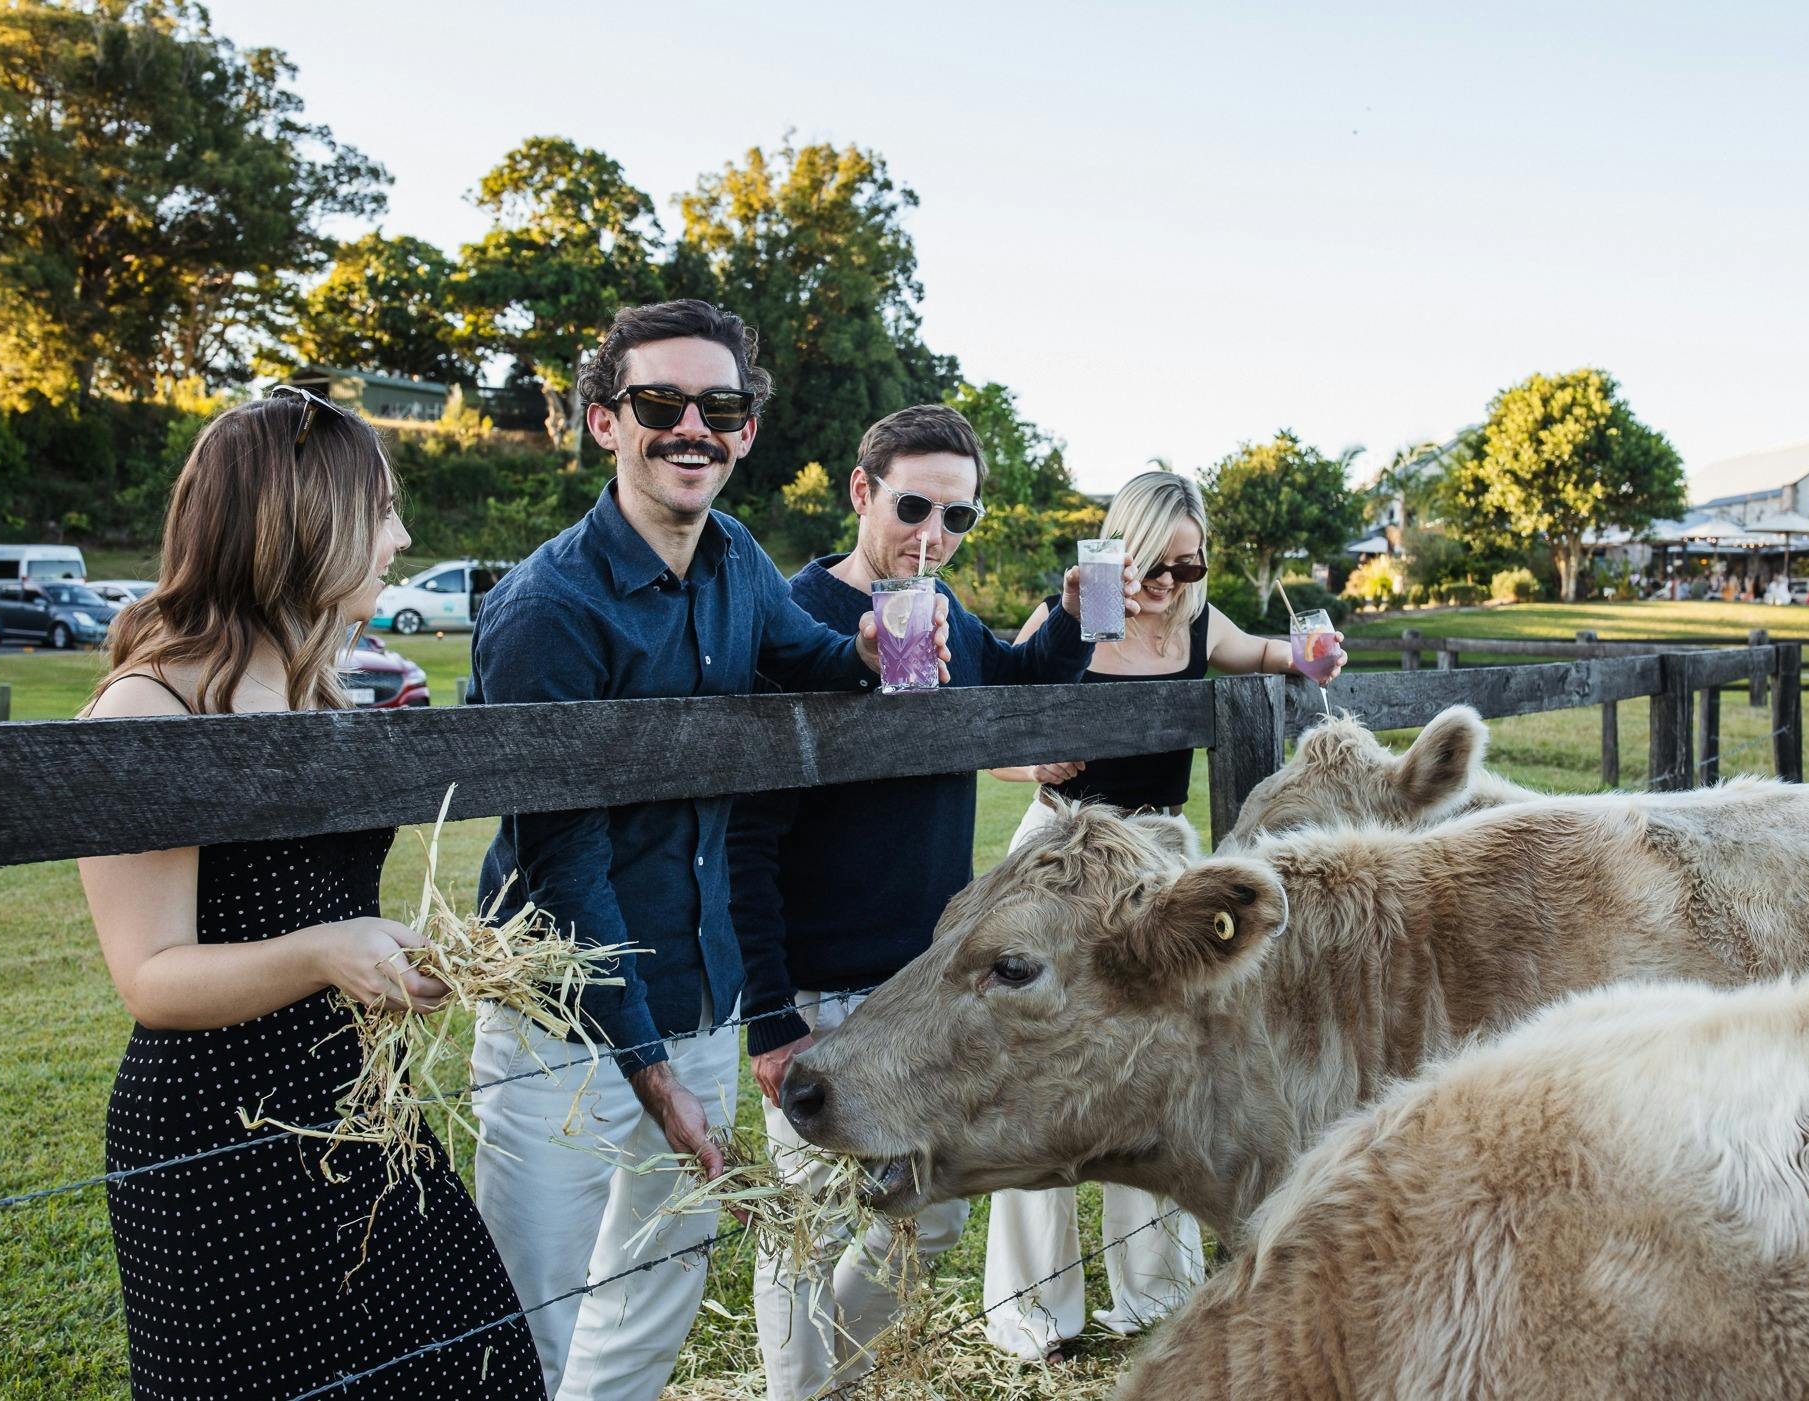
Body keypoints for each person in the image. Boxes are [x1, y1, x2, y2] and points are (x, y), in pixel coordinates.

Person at [465, 299, 948, 1401]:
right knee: (525, 1309)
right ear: (602, 423)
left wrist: (866, 646)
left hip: (700, 999)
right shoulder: (547, 610)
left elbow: (804, 651)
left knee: (655, 1294)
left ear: (746, 430)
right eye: (658, 402)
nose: (692, 426)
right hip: (561, 1023)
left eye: (718, 405)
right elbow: (563, 867)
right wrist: (652, 1077)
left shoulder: (734, 557)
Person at [76, 390, 547, 1400]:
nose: (402, 536)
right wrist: (327, 952)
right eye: (380, 510)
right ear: (306, 518)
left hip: (357, 1110)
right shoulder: (147, 706)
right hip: (218, 1138)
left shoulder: (320, 689)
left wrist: (392, 953)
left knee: (483, 1368)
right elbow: (148, 976)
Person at [729, 403, 1130, 1400]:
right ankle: (806, 1390)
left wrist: (1077, 613)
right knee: (810, 1225)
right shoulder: (793, 622)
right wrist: (771, 1018)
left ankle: (830, 1379)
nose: (935, 537)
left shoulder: (943, 617)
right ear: (861, 492)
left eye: (961, 518)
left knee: (932, 1211)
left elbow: (1023, 680)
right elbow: (744, 841)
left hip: (925, 991)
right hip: (821, 989)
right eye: (915, 507)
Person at [978, 469, 1346, 1363]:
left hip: (1156, 868)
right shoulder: (1062, 623)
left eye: (1193, 565)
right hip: (1059, 858)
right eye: (1162, 565)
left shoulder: (1196, 624)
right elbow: (988, 743)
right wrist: (1039, 768)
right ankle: (1034, 1312)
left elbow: (1275, 654)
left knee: (1157, 1073)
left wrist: (1314, 652)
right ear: (1123, 550)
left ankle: (1155, 1290)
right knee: (1039, 1073)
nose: (1175, 583)